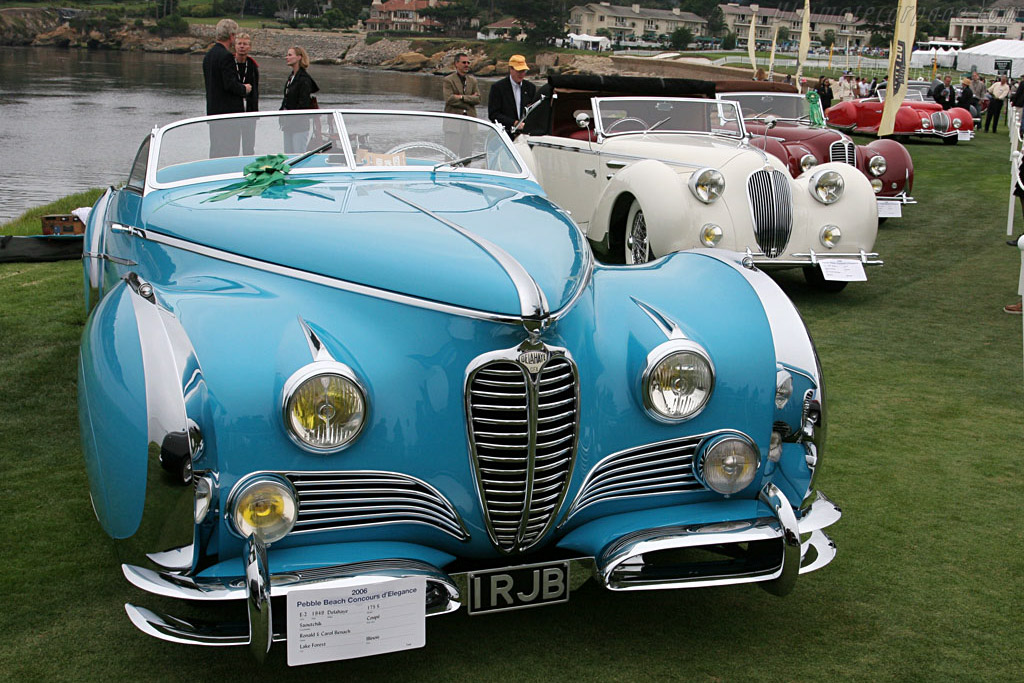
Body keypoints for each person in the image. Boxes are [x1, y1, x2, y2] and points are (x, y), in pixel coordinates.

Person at [202, 18, 251, 157]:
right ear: (231, 36)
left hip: (213, 112)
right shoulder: (226, 57)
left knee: (216, 152)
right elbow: (229, 84)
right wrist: (244, 89)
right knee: (229, 152)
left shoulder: (208, 56)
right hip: (228, 115)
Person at [279, 46, 319, 154]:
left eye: (290, 55)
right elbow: (287, 98)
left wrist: (291, 116)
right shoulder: (291, 77)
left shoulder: (304, 79)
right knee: (288, 155)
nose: (287, 57)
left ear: (299, 57)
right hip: (288, 124)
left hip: (299, 125)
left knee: (298, 155)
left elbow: (303, 104)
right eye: (287, 55)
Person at [441, 53, 481, 158]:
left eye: (468, 62)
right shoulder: (448, 80)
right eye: (464, 62)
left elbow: (478, 99)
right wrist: (469, 100)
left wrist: (462, 97)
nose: (467, 65)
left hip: (469, 124)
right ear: (456, 64)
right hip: (453, 125)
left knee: (467, 157)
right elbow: (449, 99)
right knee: (451, 157)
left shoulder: (473, 81)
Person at [488, 54, 537, 137]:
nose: (521, 74)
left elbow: (534, 112)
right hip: (503, 134)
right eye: (519, 71)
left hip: (524, 135)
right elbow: (493, 114)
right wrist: (514, 123)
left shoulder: (530, 88)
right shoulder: (498, 88)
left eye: (523, 71)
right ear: (511, 69)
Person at [234, 32, 259, 156]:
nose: (242, 46)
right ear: (235, 46)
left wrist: (255, 111)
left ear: (249, 47)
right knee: (233, 144)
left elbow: (256, 90)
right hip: (233, 110)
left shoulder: (253, 66)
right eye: (239, 43)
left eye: (245, 44)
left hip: (249, 111)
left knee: (249, 146)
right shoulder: (230, 64)